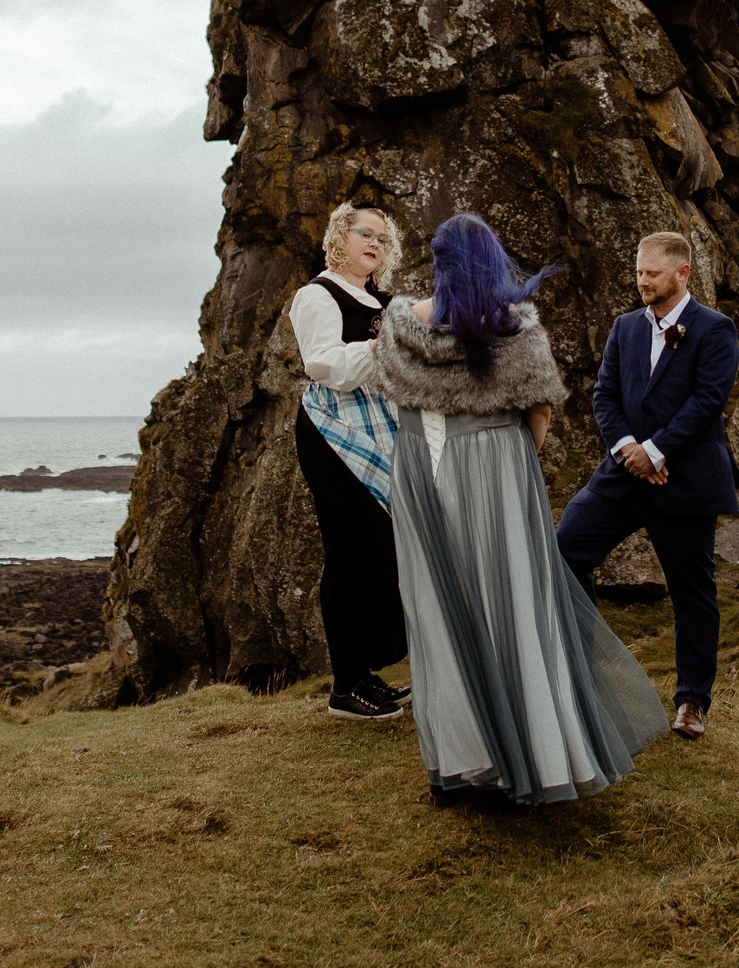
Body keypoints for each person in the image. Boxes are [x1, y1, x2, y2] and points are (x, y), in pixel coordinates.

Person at [374, 214, 669, 807]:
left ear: (438, 262)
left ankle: (461, 767)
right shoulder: (517, 327)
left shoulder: (400, 327)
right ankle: (532, 755)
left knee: (440, 608)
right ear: (492, 260)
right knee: (515, 604)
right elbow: (539, 410)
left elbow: (394, 397)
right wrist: (511, 459)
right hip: (500, 468)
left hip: (420, 469)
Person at [554, 231, 739, 741]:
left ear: (682, 274)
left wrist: (656, 451)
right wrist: (628, 451)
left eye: (651, 274)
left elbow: (707, 403)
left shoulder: (716, 330)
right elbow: (604, 395)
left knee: (692, 593)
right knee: (565, 550)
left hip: (685, 483)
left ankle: (692, 702)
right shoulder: (625, 327)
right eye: (638, 272)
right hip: (623, 475)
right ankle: (582, 672)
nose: (641, 282)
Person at [284, 202, 411, 721]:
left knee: (384, 550)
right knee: (352, 549)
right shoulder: (317, 294)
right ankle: (345, 687)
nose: (376, 243)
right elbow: (325, 364)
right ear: (341, 236)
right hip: (334, 430)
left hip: (382, 425)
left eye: (383, 238)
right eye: (366, 233)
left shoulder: (381, 298)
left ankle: (366, 673)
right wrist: (383, 347)